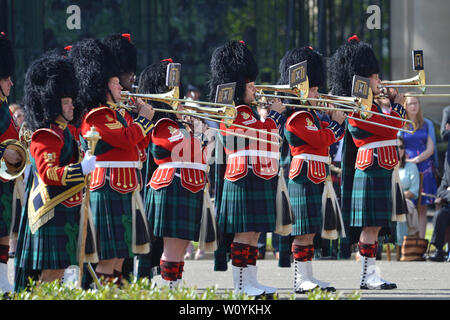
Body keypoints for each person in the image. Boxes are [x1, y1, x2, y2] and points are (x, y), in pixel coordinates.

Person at [70, 38, 155, 285]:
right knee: (109, 257)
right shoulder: (98, 116)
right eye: (116, 83)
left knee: (121, 255)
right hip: (109, 187)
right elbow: (128, 139)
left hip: (124, 187)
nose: (122, 88)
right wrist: (143, 120)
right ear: (104, 86)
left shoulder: (115, 115)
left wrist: (143, 122)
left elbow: (137, 149)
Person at [13, 54, 97, 290]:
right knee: (52, 271)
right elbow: (49, 174)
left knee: (60, 269)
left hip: (65, 207)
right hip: (49, 210)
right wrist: (80, 169)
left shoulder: (65, 132)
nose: (72, 106)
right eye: (67, 102)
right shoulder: (45, 136)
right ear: (53, 103)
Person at [329, 35, 406, 290]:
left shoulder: (369, 105)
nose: (379, 82)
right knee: (370, 226)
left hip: (379, 168)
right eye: (374, 77)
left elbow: (388, 127)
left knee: (375, 225)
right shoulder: (359, 108)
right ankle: (367, 276)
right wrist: (397, 107)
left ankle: (371, 274)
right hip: (371, 169)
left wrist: (391, 107)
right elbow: (389, 129)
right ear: (362, 79)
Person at [210, 40, 285, 298]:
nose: (254, 89)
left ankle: (251, 281)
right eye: (250, 85)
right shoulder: (233, 112)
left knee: (253, 233)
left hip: (257, 174)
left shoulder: (249, 112)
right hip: (242, 176)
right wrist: (274, 116)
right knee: (244, 234)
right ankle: (241, 286)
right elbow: (258, 135)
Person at [280, 47, 346, 293]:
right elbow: (321, 140)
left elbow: (327, 135)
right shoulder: (297, 117)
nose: (319, 93)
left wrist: (333, 117)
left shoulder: (313, 115)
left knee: (310, 229)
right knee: (302, 230)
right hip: (304, 173)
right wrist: (336, 124)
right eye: (315, 89)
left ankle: (308, 276)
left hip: (316, 173)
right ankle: (299, 279)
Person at [0, 32, 23, 294]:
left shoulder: (4, 108)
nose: (10, 83)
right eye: (6, 78)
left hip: (4, 179)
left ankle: (3, 281)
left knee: (3, 230)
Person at [399, 95, 437, 239]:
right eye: (410, 104)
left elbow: (430, 148)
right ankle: (407, 240)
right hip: (406, 168)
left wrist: (417, 159)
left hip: (424, 167)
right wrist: (408, 161)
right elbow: (398, 144)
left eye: (416, 103)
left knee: (422, 207)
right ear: (405, 106)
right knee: (407, 204)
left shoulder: (426, 124)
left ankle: (421, 241)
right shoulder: (402, 124)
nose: (413, 106)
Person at [396, 136, 421, 258]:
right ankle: (375, 248)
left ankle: (402, 246)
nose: (399, 149)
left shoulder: (411, 167)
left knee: (400, 206)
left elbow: (413, 191)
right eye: (396, 147)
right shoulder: (386, 167)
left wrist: (397, 196)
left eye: (401, 147)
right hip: (388, 200)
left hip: (406, 201)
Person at [429, 139, 450, 262]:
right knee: (439, 215)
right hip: (448, 207)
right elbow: (440, 191)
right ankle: (439, 251)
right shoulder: (447, 175)